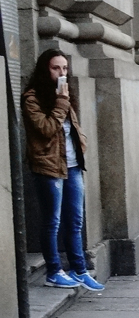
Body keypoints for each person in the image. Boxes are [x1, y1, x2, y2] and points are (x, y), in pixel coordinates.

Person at [21, 49, 104, 290]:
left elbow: (72, 128)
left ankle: (79, 270)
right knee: (52, 222)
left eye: (65, 68)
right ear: (44, 70)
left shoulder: (65, 95)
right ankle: (54, 270)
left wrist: (83, 143)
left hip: (73, 165)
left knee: (75, 221)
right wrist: (61, 103)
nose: (62, 73)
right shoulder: (32, 98)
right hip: (48, 167)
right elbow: (46, 129)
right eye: (56, 68)